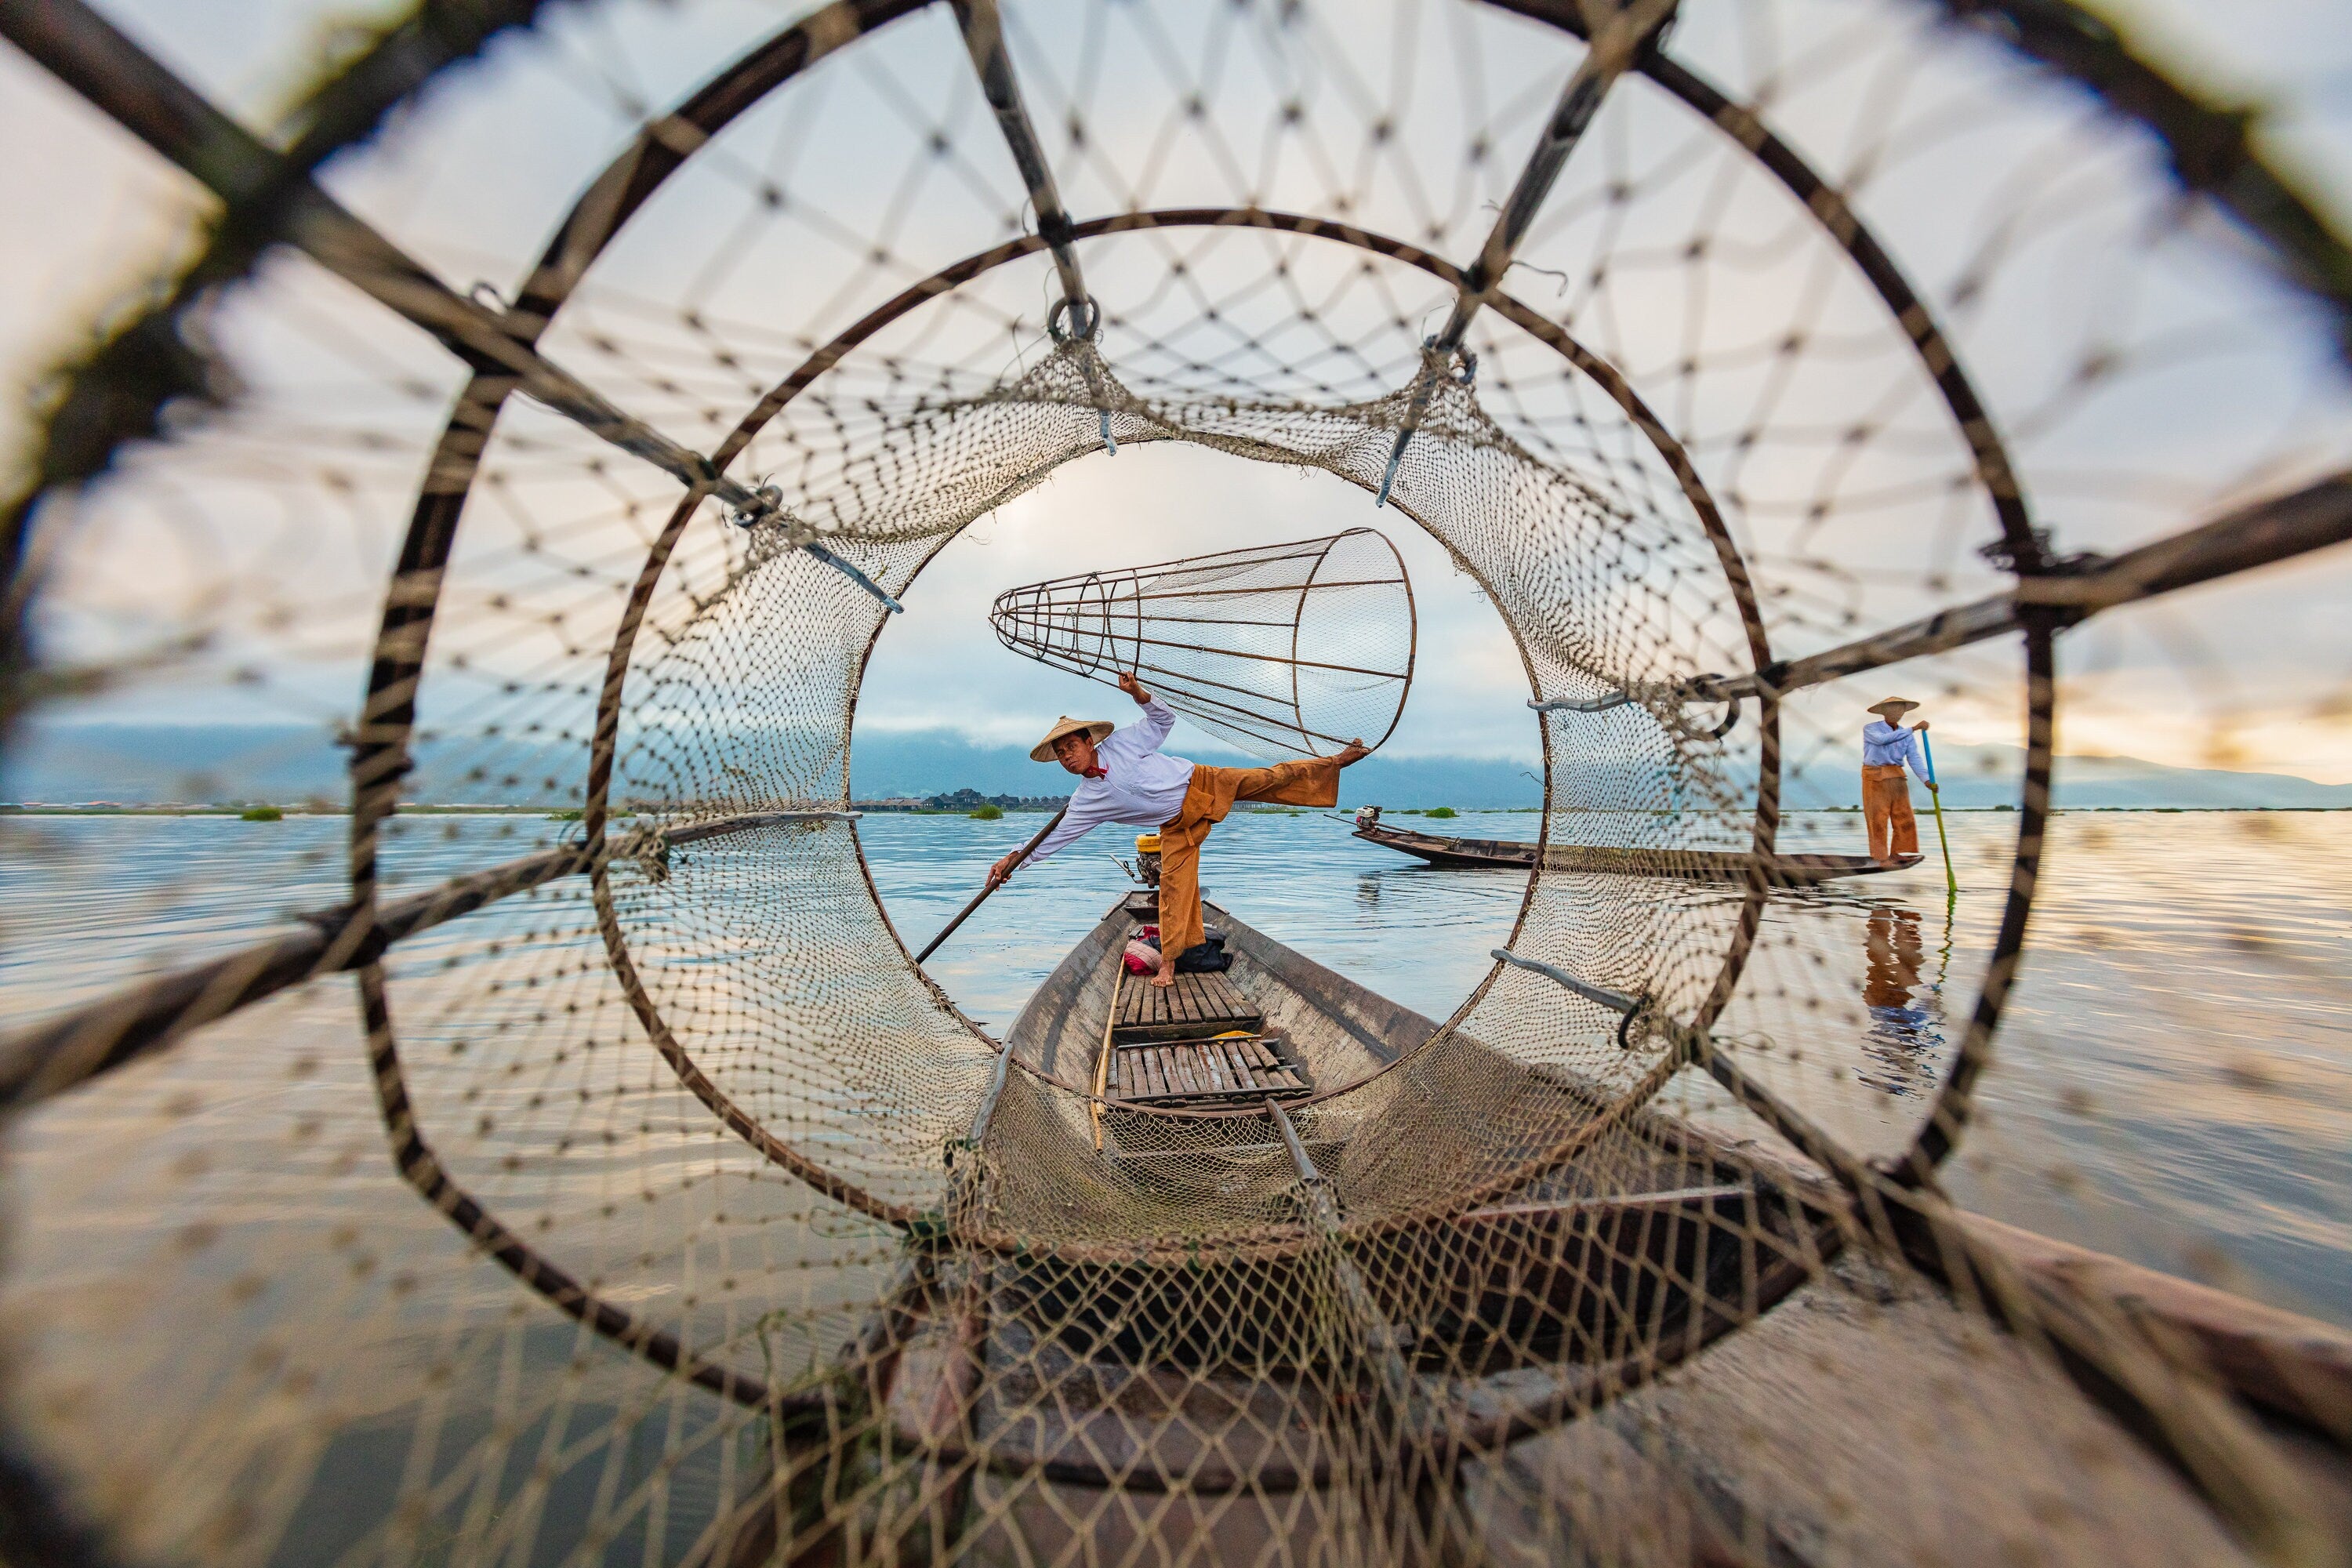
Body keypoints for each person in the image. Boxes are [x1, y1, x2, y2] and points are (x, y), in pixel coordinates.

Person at [988, 672, 1369, 987]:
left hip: (1202, 783)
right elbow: (1054, 837)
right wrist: (1011, 860)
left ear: (1090, 741)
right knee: (1173, 888)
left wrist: (1138, 693)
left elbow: (1162, 721)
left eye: (1072, 746)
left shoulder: (1122, 744)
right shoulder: (1086, 800)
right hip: (1177, 826)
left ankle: (1335, 762)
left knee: (1271, 778)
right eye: (1061, 754)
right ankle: (1168, 964)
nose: (1068, 757)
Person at [1860, 696, 1935, 866]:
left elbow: (1914, 758)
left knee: (1904, 816)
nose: (1897, 713)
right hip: (1875, 775)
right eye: (1893, 709)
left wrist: (1927, 780)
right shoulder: (1871, 729)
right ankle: (1880, 857)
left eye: (1900, 710)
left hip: (1897, 775)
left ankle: (1897, 853)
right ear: (1885, 712)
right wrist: (1914, 728)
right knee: (1878, 817)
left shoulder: (1906, 735)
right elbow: (1883, 740)